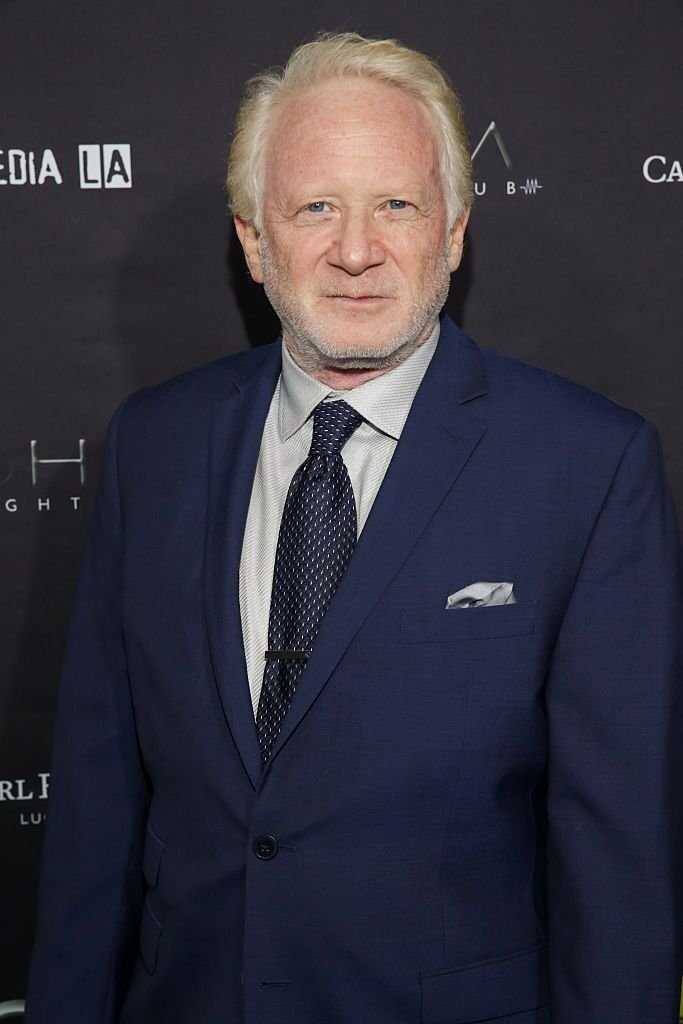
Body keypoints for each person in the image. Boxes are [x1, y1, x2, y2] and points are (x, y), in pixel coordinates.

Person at [26, 31, 682, 1024]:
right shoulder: (152, 447)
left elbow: (616, 858)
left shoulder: (585, 467)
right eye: (315, 207)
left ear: (455, 230)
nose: (355, 249)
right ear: (253, 239)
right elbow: (95, 807)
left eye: (396, 205)